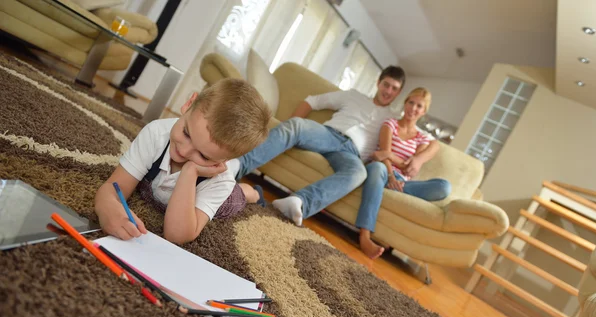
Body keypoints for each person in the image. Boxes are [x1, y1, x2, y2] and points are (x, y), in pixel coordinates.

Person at [94, 78, 271, 244]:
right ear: (189, 104)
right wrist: (106, 205)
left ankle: (252, 193)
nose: (184, 151)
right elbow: (114, 187)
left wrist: (190, 172)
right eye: (186, 133)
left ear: (224, 161)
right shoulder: (156, 134)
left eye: (203, 156)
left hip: (222, 194)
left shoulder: (220, 181)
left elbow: (177, 235)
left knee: (237, 197)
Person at [229, 66, 406, 226]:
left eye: (394, 88)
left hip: (352, 154)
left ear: (399, 93)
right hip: (328, 134)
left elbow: (420, 140)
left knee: (359, 173)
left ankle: (298, 202)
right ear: (378, 83)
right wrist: (289, 123)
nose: (388, 91)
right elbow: (313, 101)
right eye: (386, 84)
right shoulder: (353, 96)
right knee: (297, 125)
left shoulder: (394, 119)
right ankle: (237, 165)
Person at [355, 87, 452, 259]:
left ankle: (393, 188)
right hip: (381, 170)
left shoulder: (421, 138)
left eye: (419, 106)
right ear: (405, 103)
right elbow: (382, 156)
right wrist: (391, 173)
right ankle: (365, 236)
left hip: (401, 180)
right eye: (411, 103)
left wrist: (393, 156)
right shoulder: (390, 124)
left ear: (424, 112)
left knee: (444, 187)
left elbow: (410, 168)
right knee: (378, 168)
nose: (413, 109)